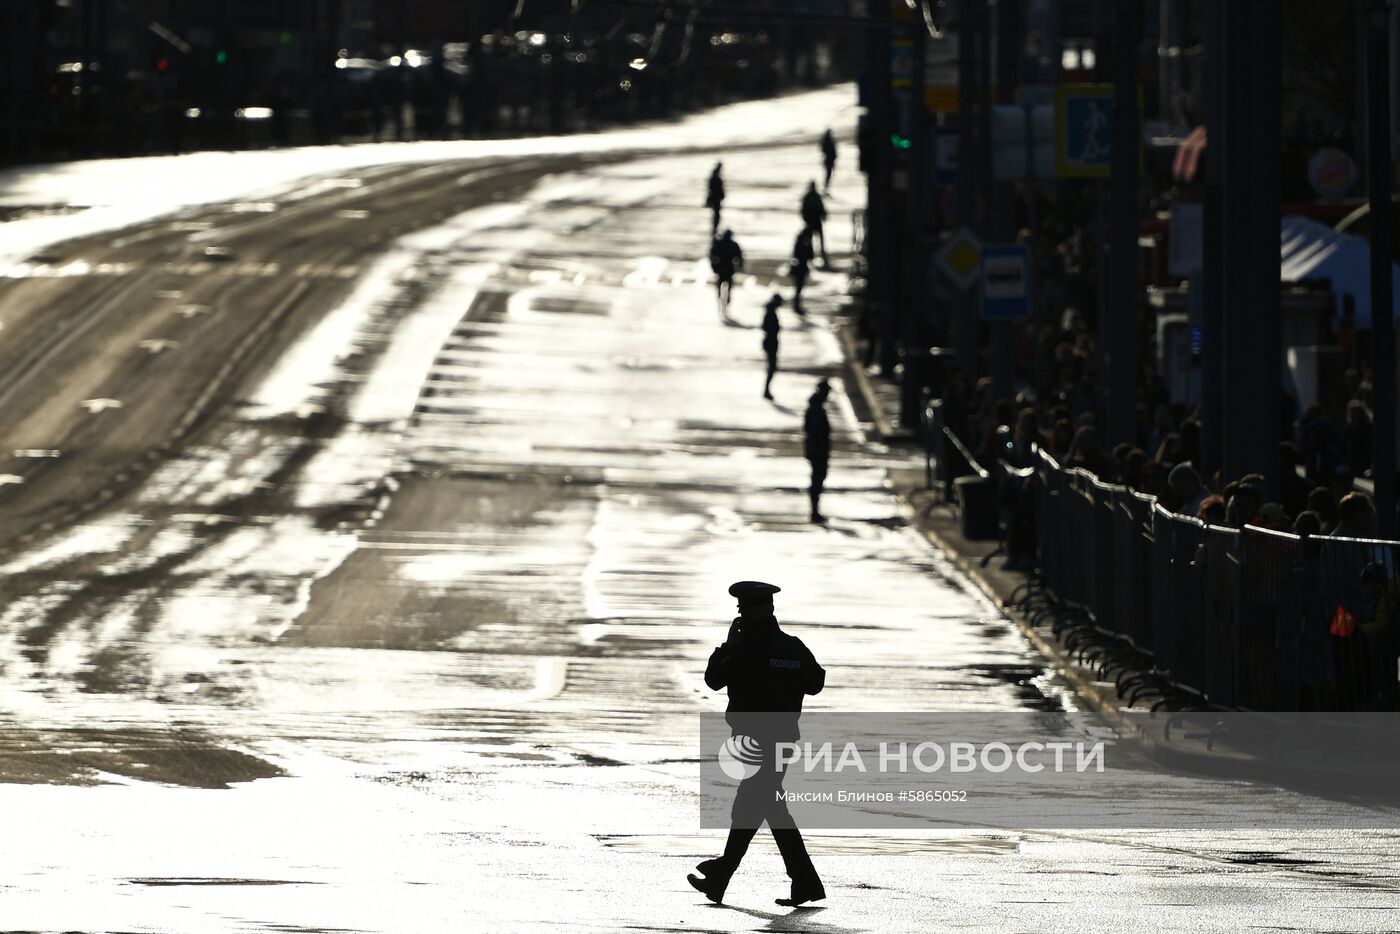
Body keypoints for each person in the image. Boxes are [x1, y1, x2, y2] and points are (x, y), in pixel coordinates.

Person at [688, 580, 826, 908]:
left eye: (742, 609)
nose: (739, 613)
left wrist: (727, 645)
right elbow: (815, 682)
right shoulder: (791, 646)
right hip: (782, 740)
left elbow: (713, 679)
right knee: (767, 806)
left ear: (747, 613)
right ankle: (802, 881)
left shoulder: (743, 649)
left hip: (752, 741)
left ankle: (723, 874)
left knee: (751, 807)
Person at [804, 379, 832, 523]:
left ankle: (815, 511)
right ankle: (814, 512)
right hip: (817, 450)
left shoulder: (816, 408)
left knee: (818, 480)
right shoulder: (816, 410)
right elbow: (816, 433)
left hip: (818, 450)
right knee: (817, 481)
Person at [709, 229, 743, 312]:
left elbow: (712, 256)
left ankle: (722, 301)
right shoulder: (733, 245)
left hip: (721, 269)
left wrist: (714, 267)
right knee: (728, 287)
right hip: (729, 270)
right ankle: (725, 302)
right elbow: (739, 258)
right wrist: (739, 267)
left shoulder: (719, 243)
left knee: (721, 286)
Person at [800, 181, 828, 266]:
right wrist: (823, 215)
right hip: (815, 220)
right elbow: (821, 207)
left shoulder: (809, 197)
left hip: (811, 220)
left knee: (810, 239)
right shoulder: (814, 196)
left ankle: (812, 255)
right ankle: (820, 254)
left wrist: (805, 217)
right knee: (817, 238)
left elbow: (803, 209)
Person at [761, 293, 782, 400]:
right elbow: (765, 327)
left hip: (771, 341)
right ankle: (766, 390)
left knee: (772, 368)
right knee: (771, 367)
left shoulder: (770, 312)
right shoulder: (770, 313)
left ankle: (767, 389)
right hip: (771, 342)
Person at [789, 229, 814, 315]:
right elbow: (811, 256)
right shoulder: (805, 244)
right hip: (801, 268)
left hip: (799, 268)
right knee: (798, 288)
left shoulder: (799, 242)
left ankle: (796, 304)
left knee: (798, 288)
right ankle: (796, 305)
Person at [706, 162, 725, 236]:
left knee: (716, 214)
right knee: (717, 214)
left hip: (716, 197)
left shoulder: (714, 175)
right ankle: (715, 229)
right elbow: (714, 188)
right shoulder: (716, 176)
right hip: (716, 198)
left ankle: (715, 229)